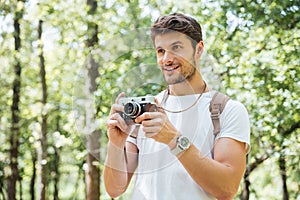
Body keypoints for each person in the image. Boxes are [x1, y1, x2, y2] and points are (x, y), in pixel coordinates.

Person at [104, 13, 250, 200]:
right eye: (160, 51)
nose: (167, 59)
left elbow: (227, 188)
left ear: (198, 49)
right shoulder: (148, 108)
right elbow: (114, 189)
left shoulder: (227, 110)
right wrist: (115, 144)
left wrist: (174, 139)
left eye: (176, 48)